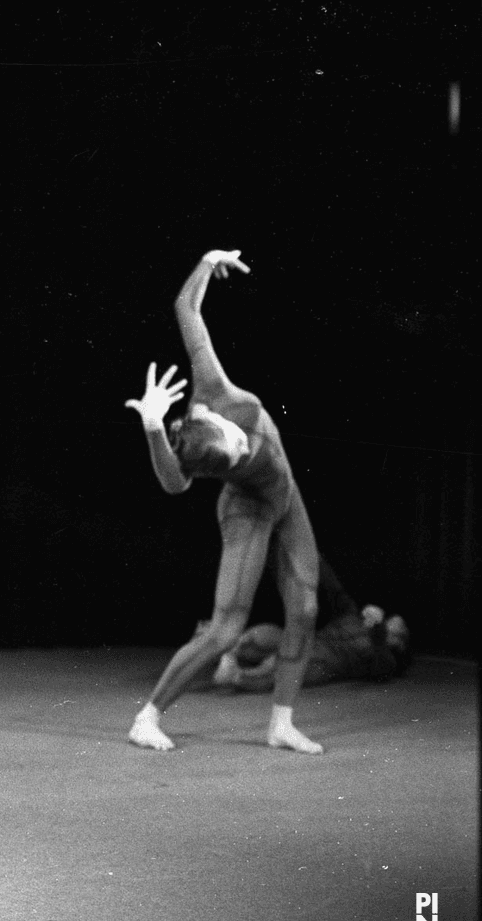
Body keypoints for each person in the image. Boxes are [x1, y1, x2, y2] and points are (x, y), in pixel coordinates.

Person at [123, 249, 324, 753]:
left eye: (235, 438)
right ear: (220, 467)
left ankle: (280, 724)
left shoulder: (213, 389)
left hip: (287, 497)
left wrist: (208, 263)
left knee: (304, 607)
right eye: (234, 454)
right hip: (249, 510)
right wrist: (152, 428)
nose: (242, 444)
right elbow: (174, 484)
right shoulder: (208, 465)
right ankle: (147, 717)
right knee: (226, 628)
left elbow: (186, 309)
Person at [208, 557, 410, 692]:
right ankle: (230, 649)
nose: (393, 623)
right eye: (391, 620)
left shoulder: (386, 659)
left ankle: (237, 676)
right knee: (267, 638)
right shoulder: (352, 616)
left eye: (398, 629)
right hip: (307, 641)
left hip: (325, 664)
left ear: (400, 643)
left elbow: (381, 661)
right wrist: (316, 560)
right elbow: (335, 589)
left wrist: (378, 630)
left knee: (288, 668)